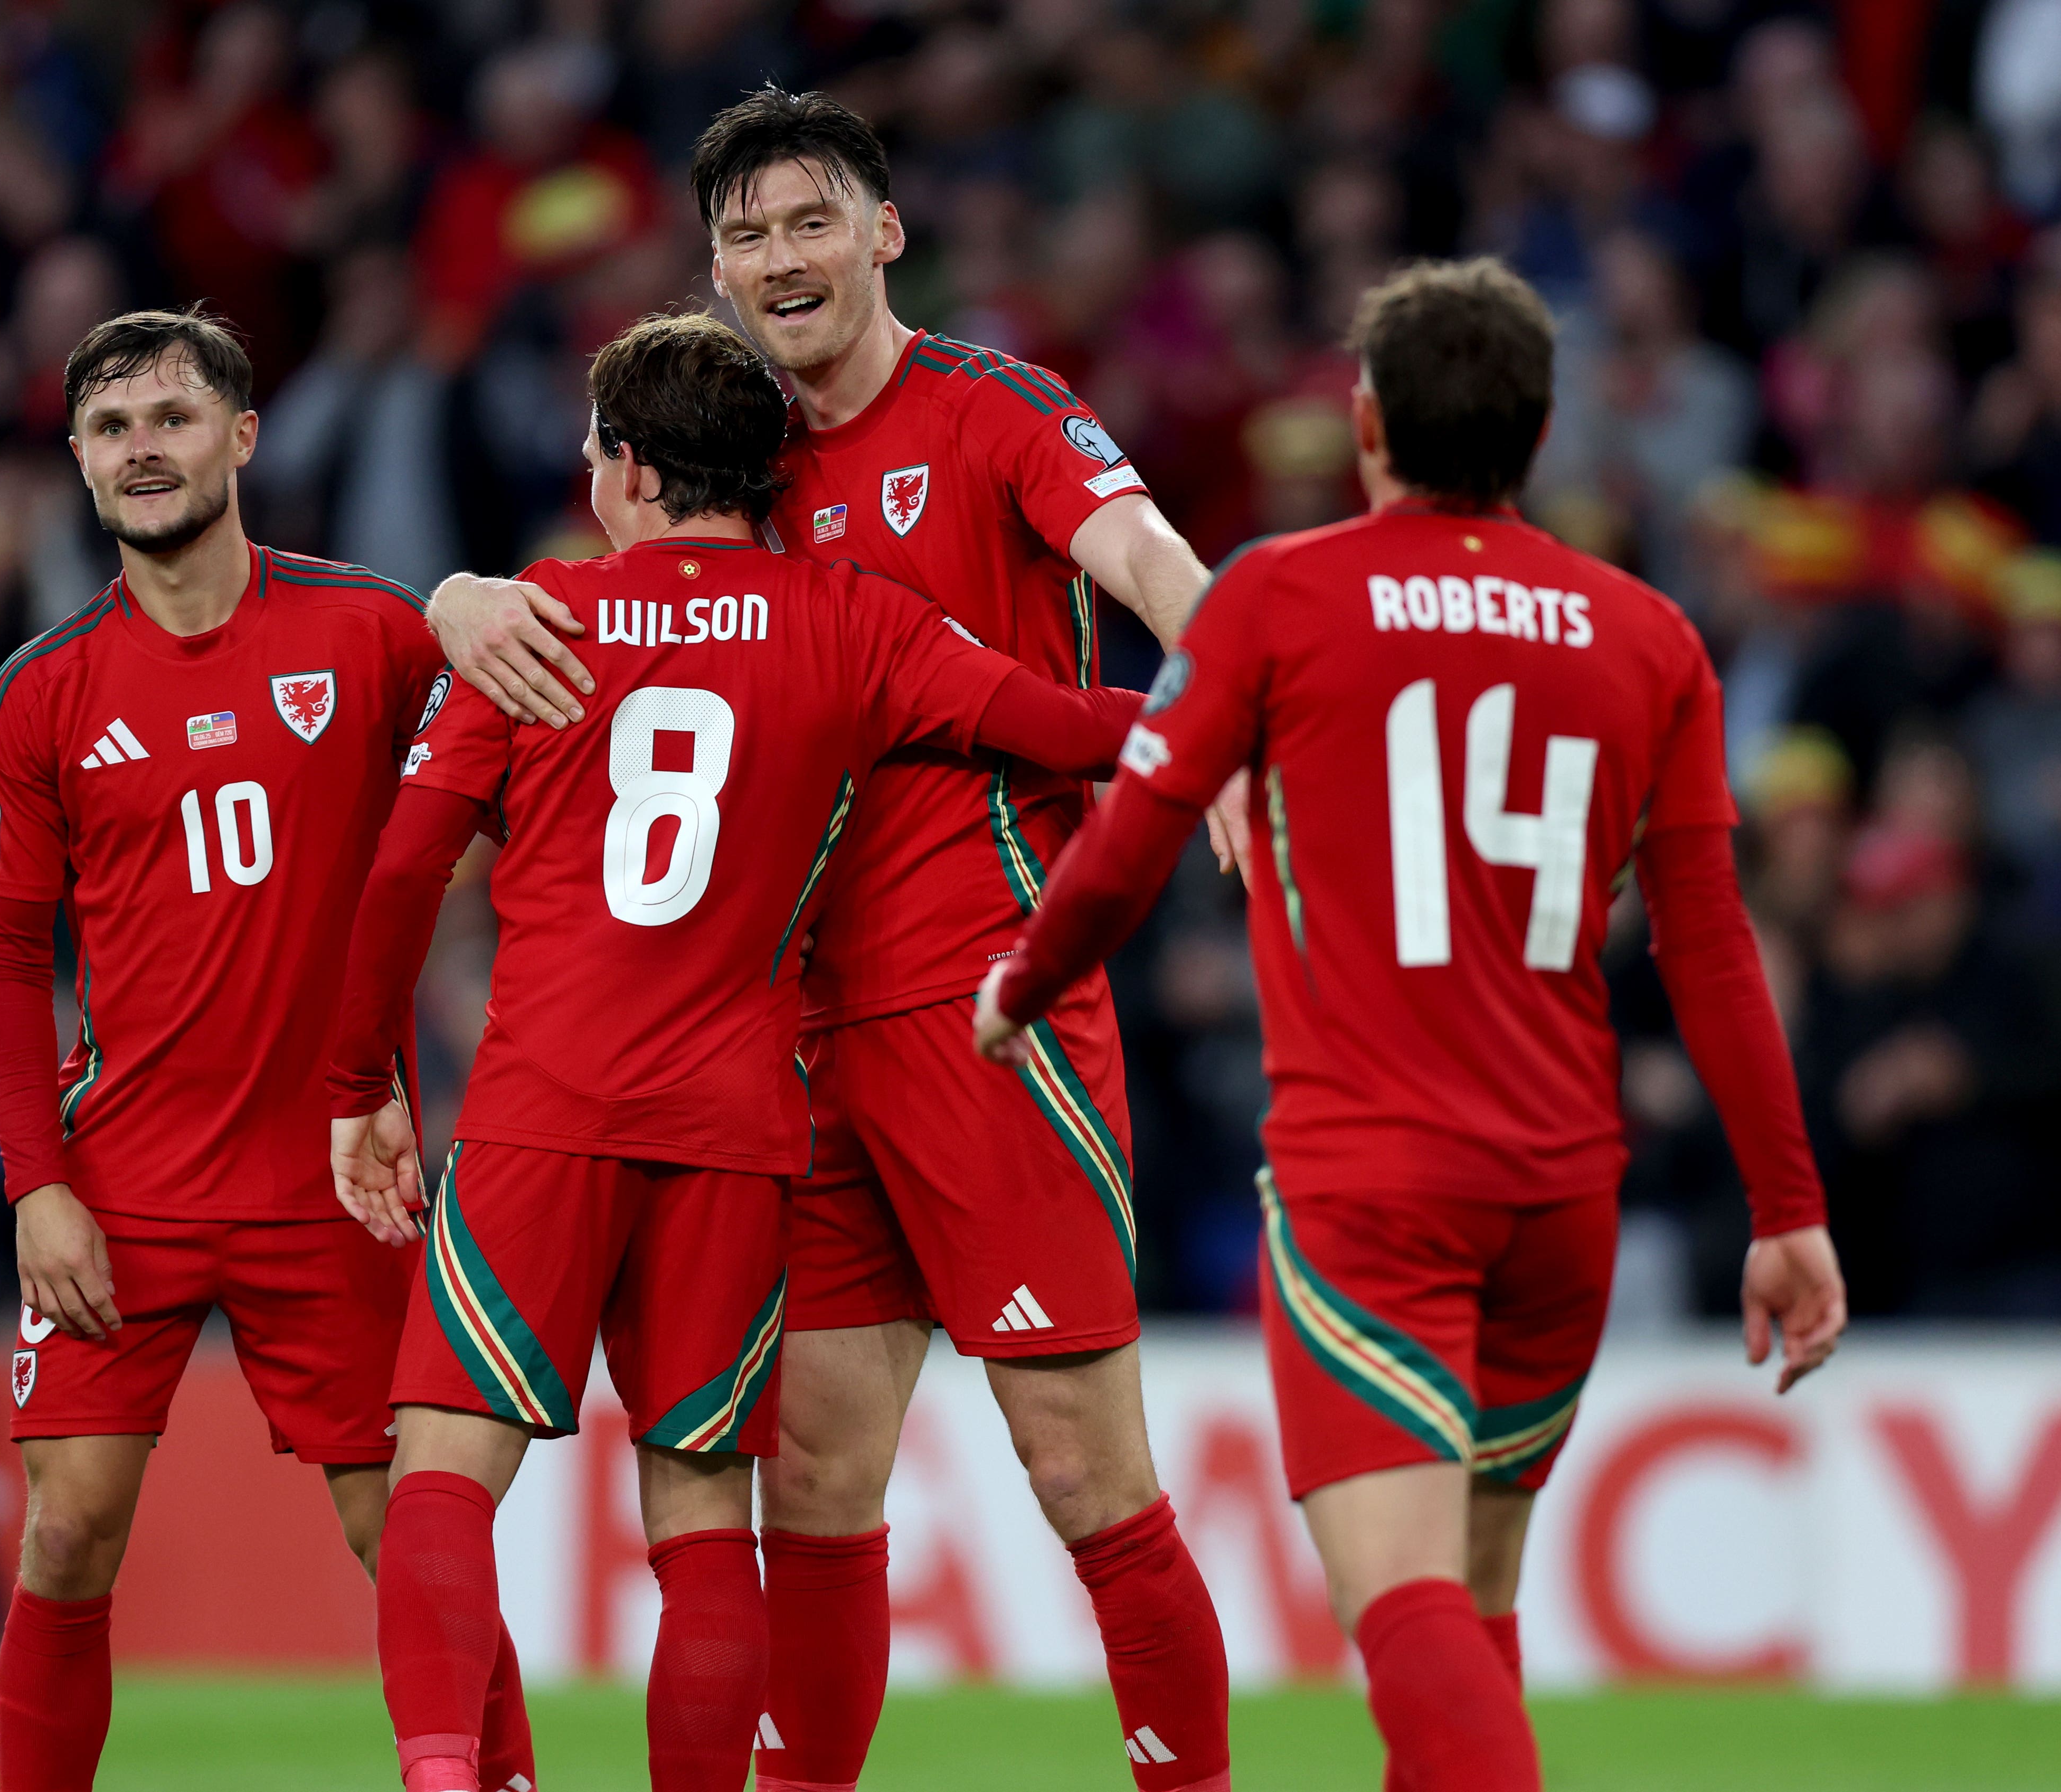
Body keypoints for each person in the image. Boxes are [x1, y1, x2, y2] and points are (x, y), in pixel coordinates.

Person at [427, 88, 1236, 1792]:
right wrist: (451, 595)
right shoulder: (728, 457)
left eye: (809, 222)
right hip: (779, 1049)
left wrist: (1225, 719)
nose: (778, 258)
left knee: (1086, 1476)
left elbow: (1150, 558)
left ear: (881, 233)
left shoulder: (994, 408)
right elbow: (586, 619)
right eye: (744, 235)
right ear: (714, 272)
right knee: (810, 1482)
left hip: (986, 1012)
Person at [975, 259, 1850, 1792]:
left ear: (1364, 420)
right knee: (1475, 1602)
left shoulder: (1276, 595)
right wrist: (1787, 1208)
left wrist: (1025, 981)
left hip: (1370, 1181)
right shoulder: (1646, 635)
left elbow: (1132, 837)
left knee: (1403, 1606)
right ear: (1537, 430)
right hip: (1563, 1189)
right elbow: (1710, 947)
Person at [326, 311, 1147, 1792]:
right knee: (704, 1507)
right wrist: (1240, 722)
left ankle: (448, 1775)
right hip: (734, 1122)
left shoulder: (540, 625)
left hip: (543, 1103)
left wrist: (360, 1087)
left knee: (445, 1471)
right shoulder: (853, 617)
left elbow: (398, 876)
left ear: (629, 470)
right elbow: (1073, 724)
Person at [0, 307, 532, 1792]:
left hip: (331, 1174)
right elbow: (9, 956)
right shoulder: (38, 692)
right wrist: (35, 1183)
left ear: (241, 439)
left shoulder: (371, 632)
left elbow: (526, 772)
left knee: (403, 1528)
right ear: (82, 465)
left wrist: (472, 597)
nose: (143, 448)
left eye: (170, 417)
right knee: (69, 1530)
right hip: (119, 1180)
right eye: (111, 427)